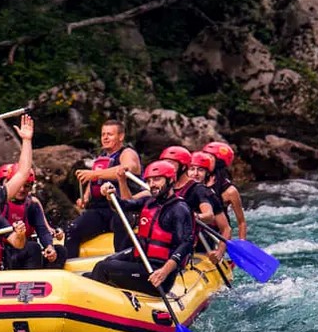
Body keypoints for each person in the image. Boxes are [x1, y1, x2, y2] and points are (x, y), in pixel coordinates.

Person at [85, 160, 194, 296]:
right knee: (103, 265)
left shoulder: (179, 209)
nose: (152, 185)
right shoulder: (149, 201)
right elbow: (123, 205)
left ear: (171, 180)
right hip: (141, 259)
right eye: (149, 181)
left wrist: (164, 271)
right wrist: (110, 195)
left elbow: (186, 244)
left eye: (157, 180)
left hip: (157, 273)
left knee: (103, 268)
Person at [65, 120, 142, 257]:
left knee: (120, 223)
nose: (105, 138)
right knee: (72, 228)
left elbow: (126, 169)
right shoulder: (101, 159)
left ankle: (120, 264)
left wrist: (93, 174)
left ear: (121, 136)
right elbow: (94, 182)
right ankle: (68, 265)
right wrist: (86, 197)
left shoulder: (127, 153)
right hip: (100, 210)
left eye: (110, 134)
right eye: (103, 134)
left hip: (121, 207)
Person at [2, 169, 68, 269]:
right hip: (4, 253)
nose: (22, 189)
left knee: (60, 251)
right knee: (33, 248)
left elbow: (42, 230)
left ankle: (49, 281)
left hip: (24, 251)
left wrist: (49, 247)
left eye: (27, 186)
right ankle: (31, 282)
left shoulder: (32, 205)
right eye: (19, 185)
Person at [202, 141, 247, 240]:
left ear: (219, 163)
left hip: (216, 236)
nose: (204, 160)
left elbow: (241, 222)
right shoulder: (196, 179)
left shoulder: (230, 191)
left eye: (210, 157)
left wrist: (242, 244)